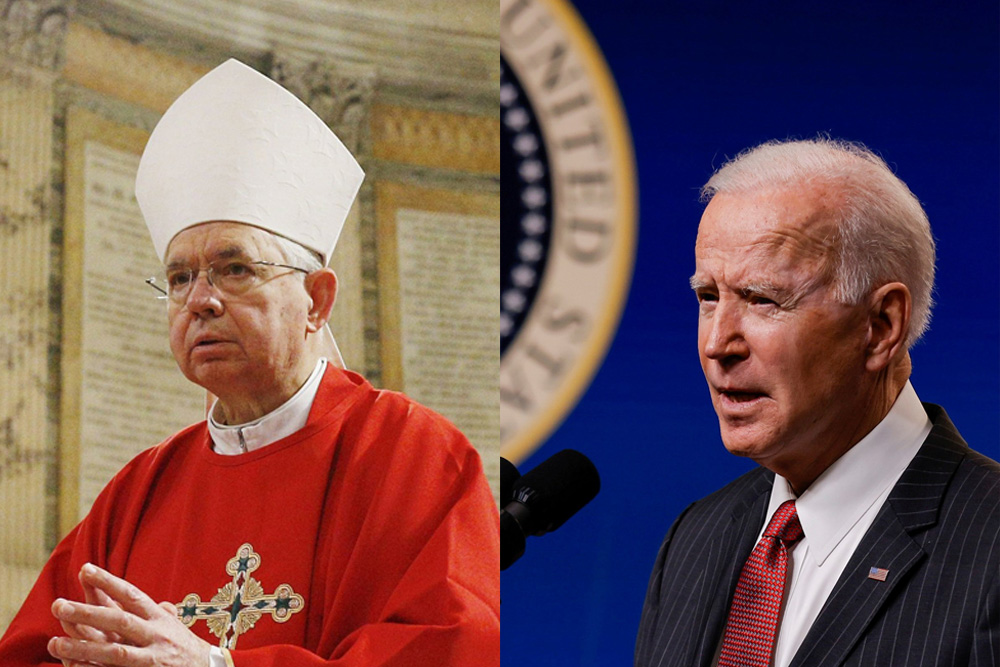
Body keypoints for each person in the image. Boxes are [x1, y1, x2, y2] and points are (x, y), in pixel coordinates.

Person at [0, 59, 500, 666]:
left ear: (316, 300)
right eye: (180, 277)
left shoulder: (413, 458)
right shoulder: (138, 495)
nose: (200, 300)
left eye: (234, 269)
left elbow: (454, 648)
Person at [634, 138, 999, 667]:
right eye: (708, 297)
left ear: (880, 327)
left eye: (762, 300)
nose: (717, 344)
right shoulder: (694, 540)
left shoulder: (988, 548)